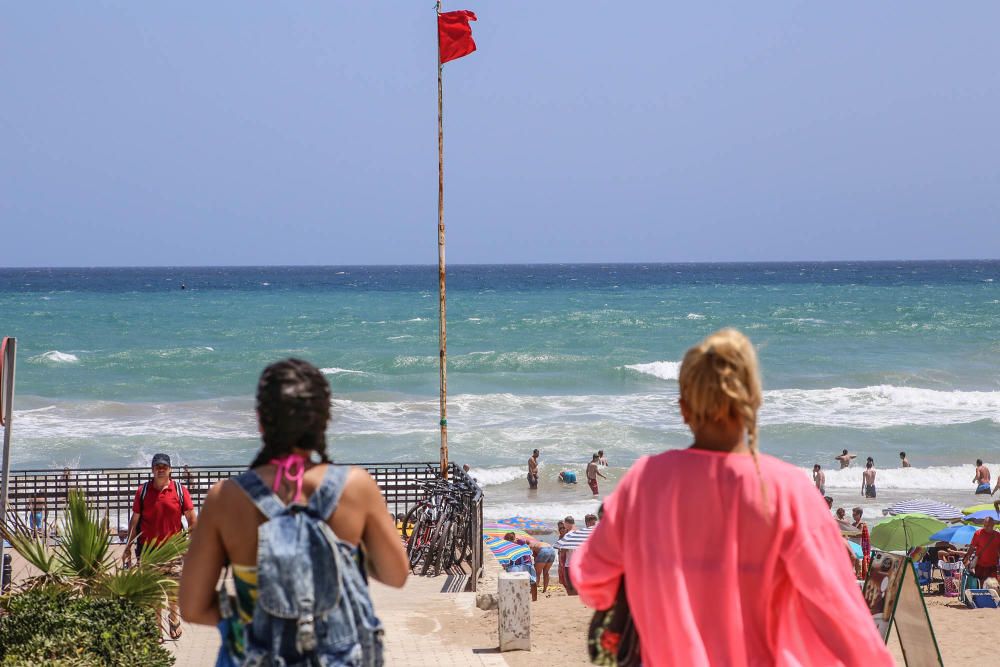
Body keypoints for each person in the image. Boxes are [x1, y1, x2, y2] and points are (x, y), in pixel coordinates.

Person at [570, 328, 892, 666]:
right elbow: (844, 621)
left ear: (683, 408)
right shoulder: (788, 493)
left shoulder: (644, 482)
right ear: (754, 399)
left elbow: (591, 580)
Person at [179, 359, 408, 663]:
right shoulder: (356, 487)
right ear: (323, 421)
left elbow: (192, 607)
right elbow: (396, 575)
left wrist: (247, 617)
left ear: (261, 421)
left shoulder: (226, 498)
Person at [122, 453, 196, 640]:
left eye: (164, 466)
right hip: (148, 550)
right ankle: (157, 629)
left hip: (174, 550)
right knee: (154, 592)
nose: (160, 469)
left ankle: (173, 618)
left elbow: (191, 518)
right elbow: (135, 520)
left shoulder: (180, 490)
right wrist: (128, 546)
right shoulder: (143, 491)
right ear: (152, 469)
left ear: (170, 469)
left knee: (173, 591)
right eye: (157, 466)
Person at [965, 517, 1000, 582]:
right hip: (980, 565)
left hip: (993, 565)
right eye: (984, 525)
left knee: (993, 585)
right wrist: (967, 558)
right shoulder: (978, 533)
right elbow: (972, 547)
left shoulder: (998, 535)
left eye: (988, 526)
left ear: (993, 525)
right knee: (980, 584)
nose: (985, 527)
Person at [559, 515, 577, 595]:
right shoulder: (578, 532)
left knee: (570, 586)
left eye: (564, 524)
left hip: (569, 564)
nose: (564, 526)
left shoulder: (568, 535)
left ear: (567, 523)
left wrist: (561, 549)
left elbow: (564, 550)